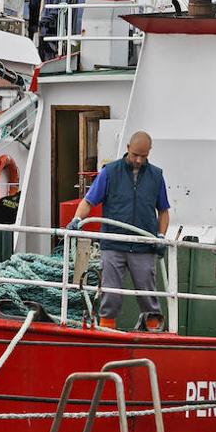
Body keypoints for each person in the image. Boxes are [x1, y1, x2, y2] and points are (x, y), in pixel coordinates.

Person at [68, 131, 171, 329]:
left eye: (143, 156)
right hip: (113, 244)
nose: (139, 160)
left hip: (144, 245)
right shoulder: (110, 172)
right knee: (111, 294)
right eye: (135, 155)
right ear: (127, 148)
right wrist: (77, 219)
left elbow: (164, 211)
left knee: (147, 295)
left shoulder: (156, 176)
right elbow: (89, 201)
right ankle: (107, 331)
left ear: (149, 153)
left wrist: (161, 236)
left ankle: (153, 333)